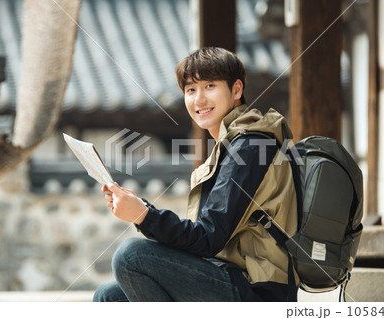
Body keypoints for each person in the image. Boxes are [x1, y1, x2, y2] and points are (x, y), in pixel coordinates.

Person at [93, 47, 299, 302]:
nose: (198, 99)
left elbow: (208, 238)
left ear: (236, 90)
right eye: (191, 90)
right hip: (228, 275)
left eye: (210, 86)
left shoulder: (250, 147)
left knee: (131, 255)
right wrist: (141, 209)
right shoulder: (232, 146)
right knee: (109, 296)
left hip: (258, 291)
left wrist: (143, 215)